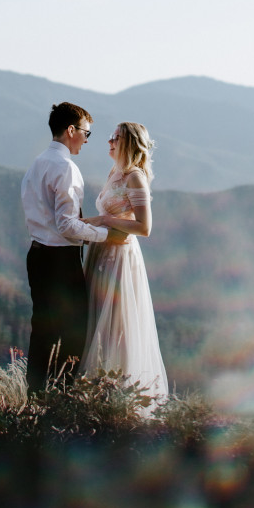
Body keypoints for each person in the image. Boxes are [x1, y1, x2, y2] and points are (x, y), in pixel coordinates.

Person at [20, 102, 127, 393]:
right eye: (86, 133)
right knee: (74, 332)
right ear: (71, 131)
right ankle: (61, 396)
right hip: (60, 260)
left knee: (42, 330)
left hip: (37, 254)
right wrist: (106, 234)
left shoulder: (37, 163)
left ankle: (35, 395)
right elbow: (67, 225)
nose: (88, 140)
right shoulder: (66, 168)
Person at [81, 121, 168, 406]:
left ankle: (121, 398)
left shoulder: (135, 177)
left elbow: (144, 227)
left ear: (129, 143)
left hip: (120, 259)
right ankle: (95, 393)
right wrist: (82, 226)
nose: (108, 142)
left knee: (117, 325)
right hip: (101, 253)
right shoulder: (114, 173)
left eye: (114, 138)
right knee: (97, 324)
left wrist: (104, 221)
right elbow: (104, 216)